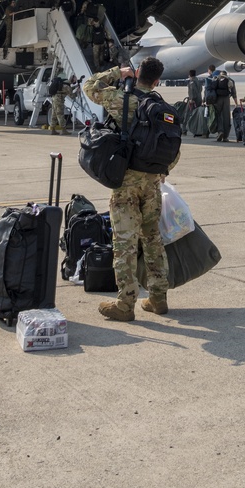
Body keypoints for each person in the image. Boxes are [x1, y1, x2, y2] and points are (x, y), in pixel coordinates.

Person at [82, 56, 175, 322]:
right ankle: (158, 298)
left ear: (137, 75)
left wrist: (117, 73)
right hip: (152, 184)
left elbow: (89, 87)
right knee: (152, 240)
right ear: (157, 81)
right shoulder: (162, 107)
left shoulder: (122, 100)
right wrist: (161, 172)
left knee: (124, 243)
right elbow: (174, 149)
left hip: (125, 184)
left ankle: (125, 304)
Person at [211, 69, 236, 142]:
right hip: (226, 99)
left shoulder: (216, 79)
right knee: (226, 117)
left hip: (217, 99)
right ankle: (225, 136)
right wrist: (236, 103)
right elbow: (234, 92)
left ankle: (220, 131)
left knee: (218, 116)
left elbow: (211, 89)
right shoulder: (230, 80)